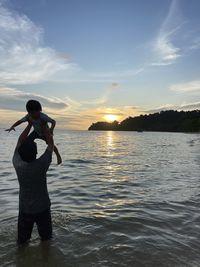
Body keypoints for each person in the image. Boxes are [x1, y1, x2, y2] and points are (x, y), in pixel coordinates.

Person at [12, 121, 54, 246]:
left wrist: (29, 124)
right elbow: (51, 144)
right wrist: (45, 127)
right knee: (46, 240)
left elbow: (19, 142)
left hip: (25, 209)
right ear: (36, 154)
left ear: (20, 153)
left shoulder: (17, 164)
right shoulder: (41, 165)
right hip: (43, 208)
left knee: (22, 243)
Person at [6, 99, 62, 165]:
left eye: (37, 112)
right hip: (36, 132)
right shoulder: (28, 116)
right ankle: (26, 157)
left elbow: (53, 122)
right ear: (29, 112)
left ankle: (58, 155)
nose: (34, 115)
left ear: (40, 111)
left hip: (44, 133)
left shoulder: (43, 116)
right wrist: (12, 126)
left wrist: (51, 130)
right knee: (26, 142)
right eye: (32, 113)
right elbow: (20, 121)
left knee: (50, 145)